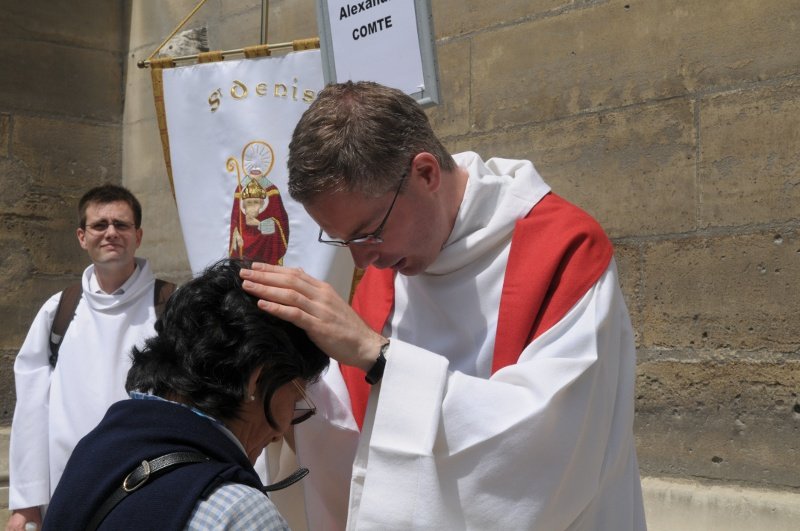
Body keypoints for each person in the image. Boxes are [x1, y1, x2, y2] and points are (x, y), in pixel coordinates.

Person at [239, 81, 646, 529]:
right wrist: (284, 396)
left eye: (368, 231)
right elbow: (357, 435)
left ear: (426, 174)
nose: (361, 259)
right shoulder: (386, 270)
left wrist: (381, 358)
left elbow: (552, 444)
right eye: (342, 240)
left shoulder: (563, 251)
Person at [42, 259, 329, 530]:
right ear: (257, 380)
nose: (281, 432)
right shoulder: (240, 513)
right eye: (295, 398)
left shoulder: (93, 451)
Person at [7, 184, 173, 531]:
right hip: (69, 489)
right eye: (100, 225)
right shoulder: (59, 311)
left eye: (121, 225)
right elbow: (32, 409)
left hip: (152, 488)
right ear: (82, 237)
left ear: (138, 235)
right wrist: (27, 504)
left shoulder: (171, 308)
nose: (110, 233)